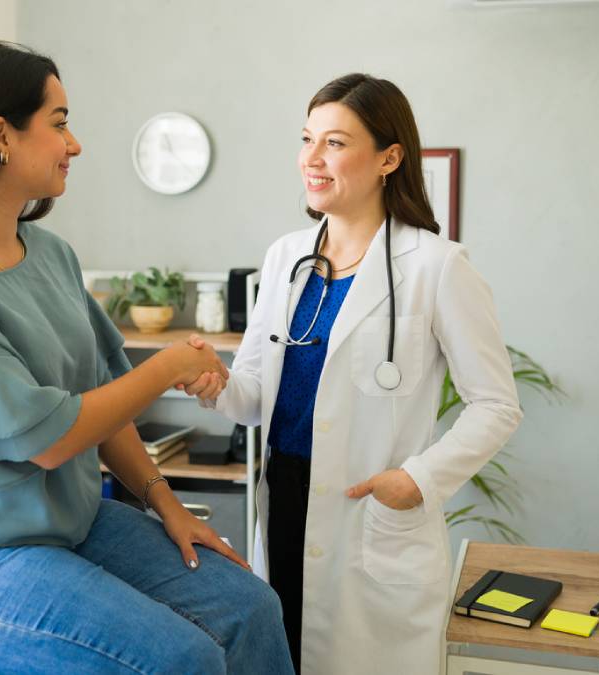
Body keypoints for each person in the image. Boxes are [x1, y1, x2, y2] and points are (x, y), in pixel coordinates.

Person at [0, 41, 294, 675]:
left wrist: (168, 506)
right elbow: (51, 438)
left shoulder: (51, 255)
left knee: (251, 606)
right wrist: (169, 366)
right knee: (180, 659)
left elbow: (102, 400)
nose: (75, 144)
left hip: (69, 522)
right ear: (1, 134)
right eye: (59, 123)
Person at [183, 73, 523, 674]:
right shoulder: (286, 257)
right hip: (285, 502)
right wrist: (216, 383)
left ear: (390, 157)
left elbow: (496, 405)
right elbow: (255, 396)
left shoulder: (437, 267)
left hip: (370, 509)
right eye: (308, 138)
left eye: (335, 143)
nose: (311, 159)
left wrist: (417, 479)